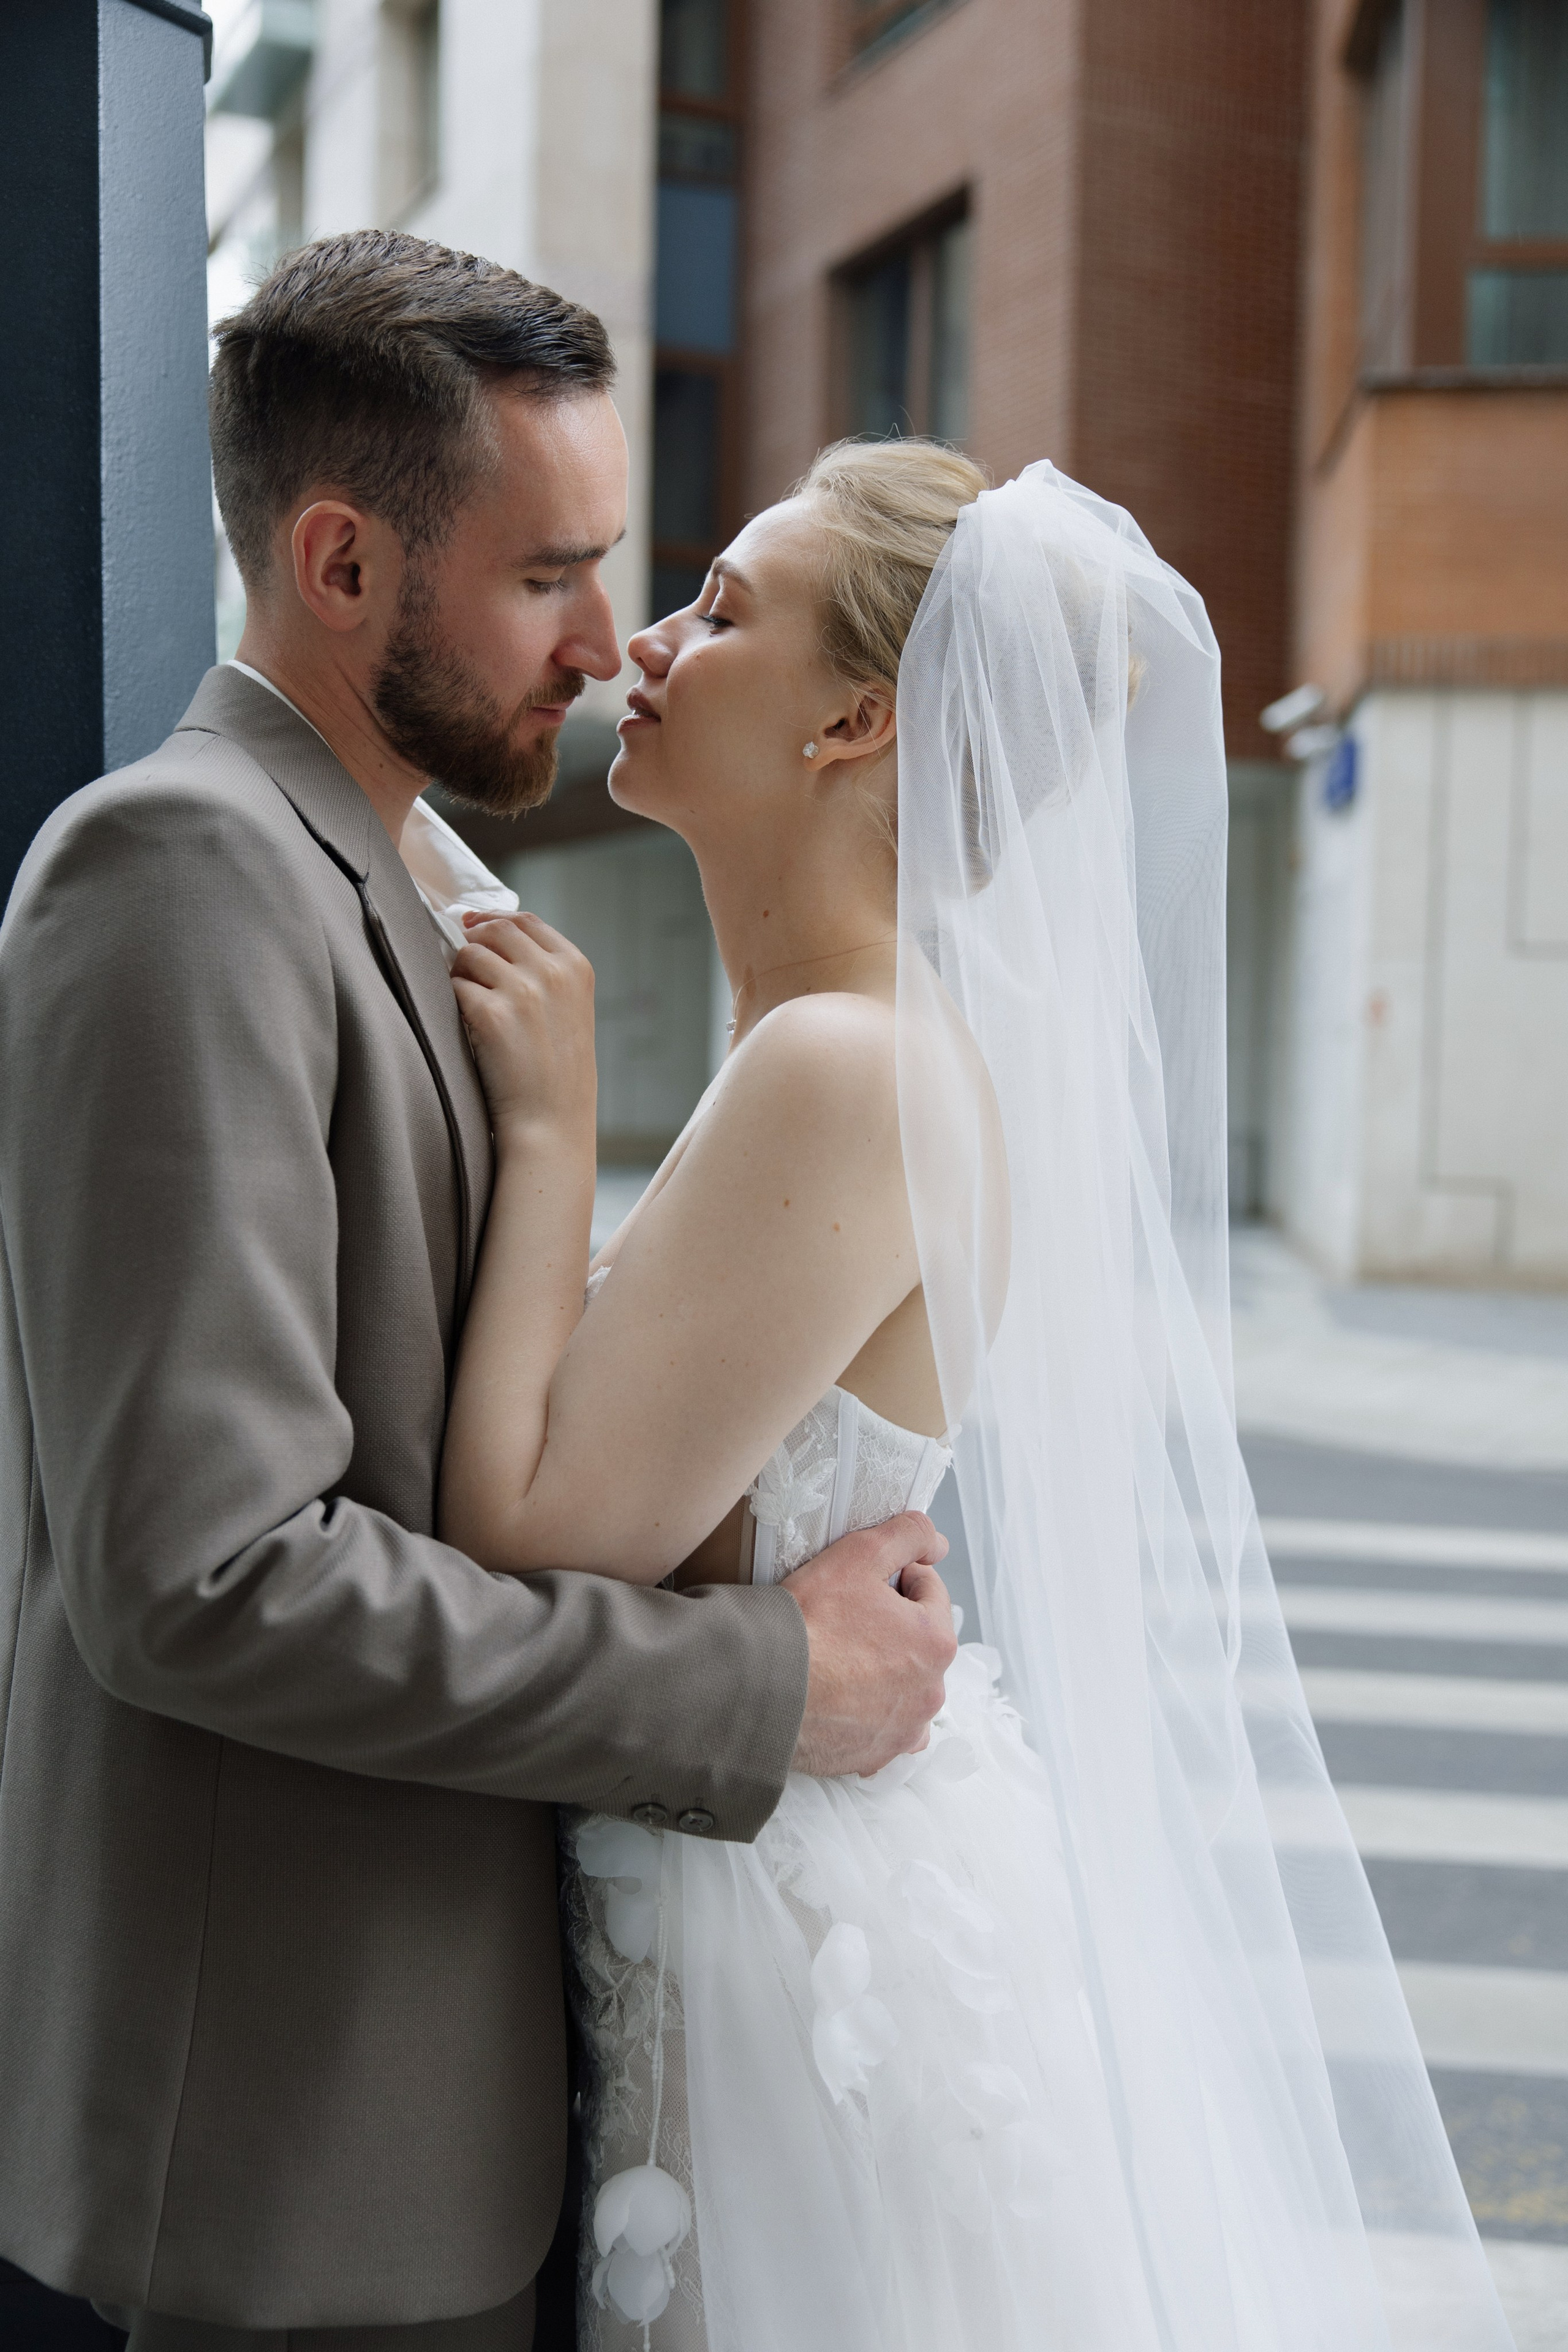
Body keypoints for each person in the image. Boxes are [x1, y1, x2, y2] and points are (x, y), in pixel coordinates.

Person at [440, 442, 1517, 2350]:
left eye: (725, 606)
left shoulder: (844, 1065)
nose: (652, 643)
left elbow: (529, 1532)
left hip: (794, 1945)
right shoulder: (855, 1046)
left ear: (858, 718)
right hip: (814, 1863)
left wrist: (548, 1127)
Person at [0, 233, 956, 2351]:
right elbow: (208, 1580)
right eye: (552, 577)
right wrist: (764, 1690)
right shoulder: (175, 873)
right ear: (341, 566)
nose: (612, 645)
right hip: (305, 2141)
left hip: (510, 2114)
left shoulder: (425, 895)